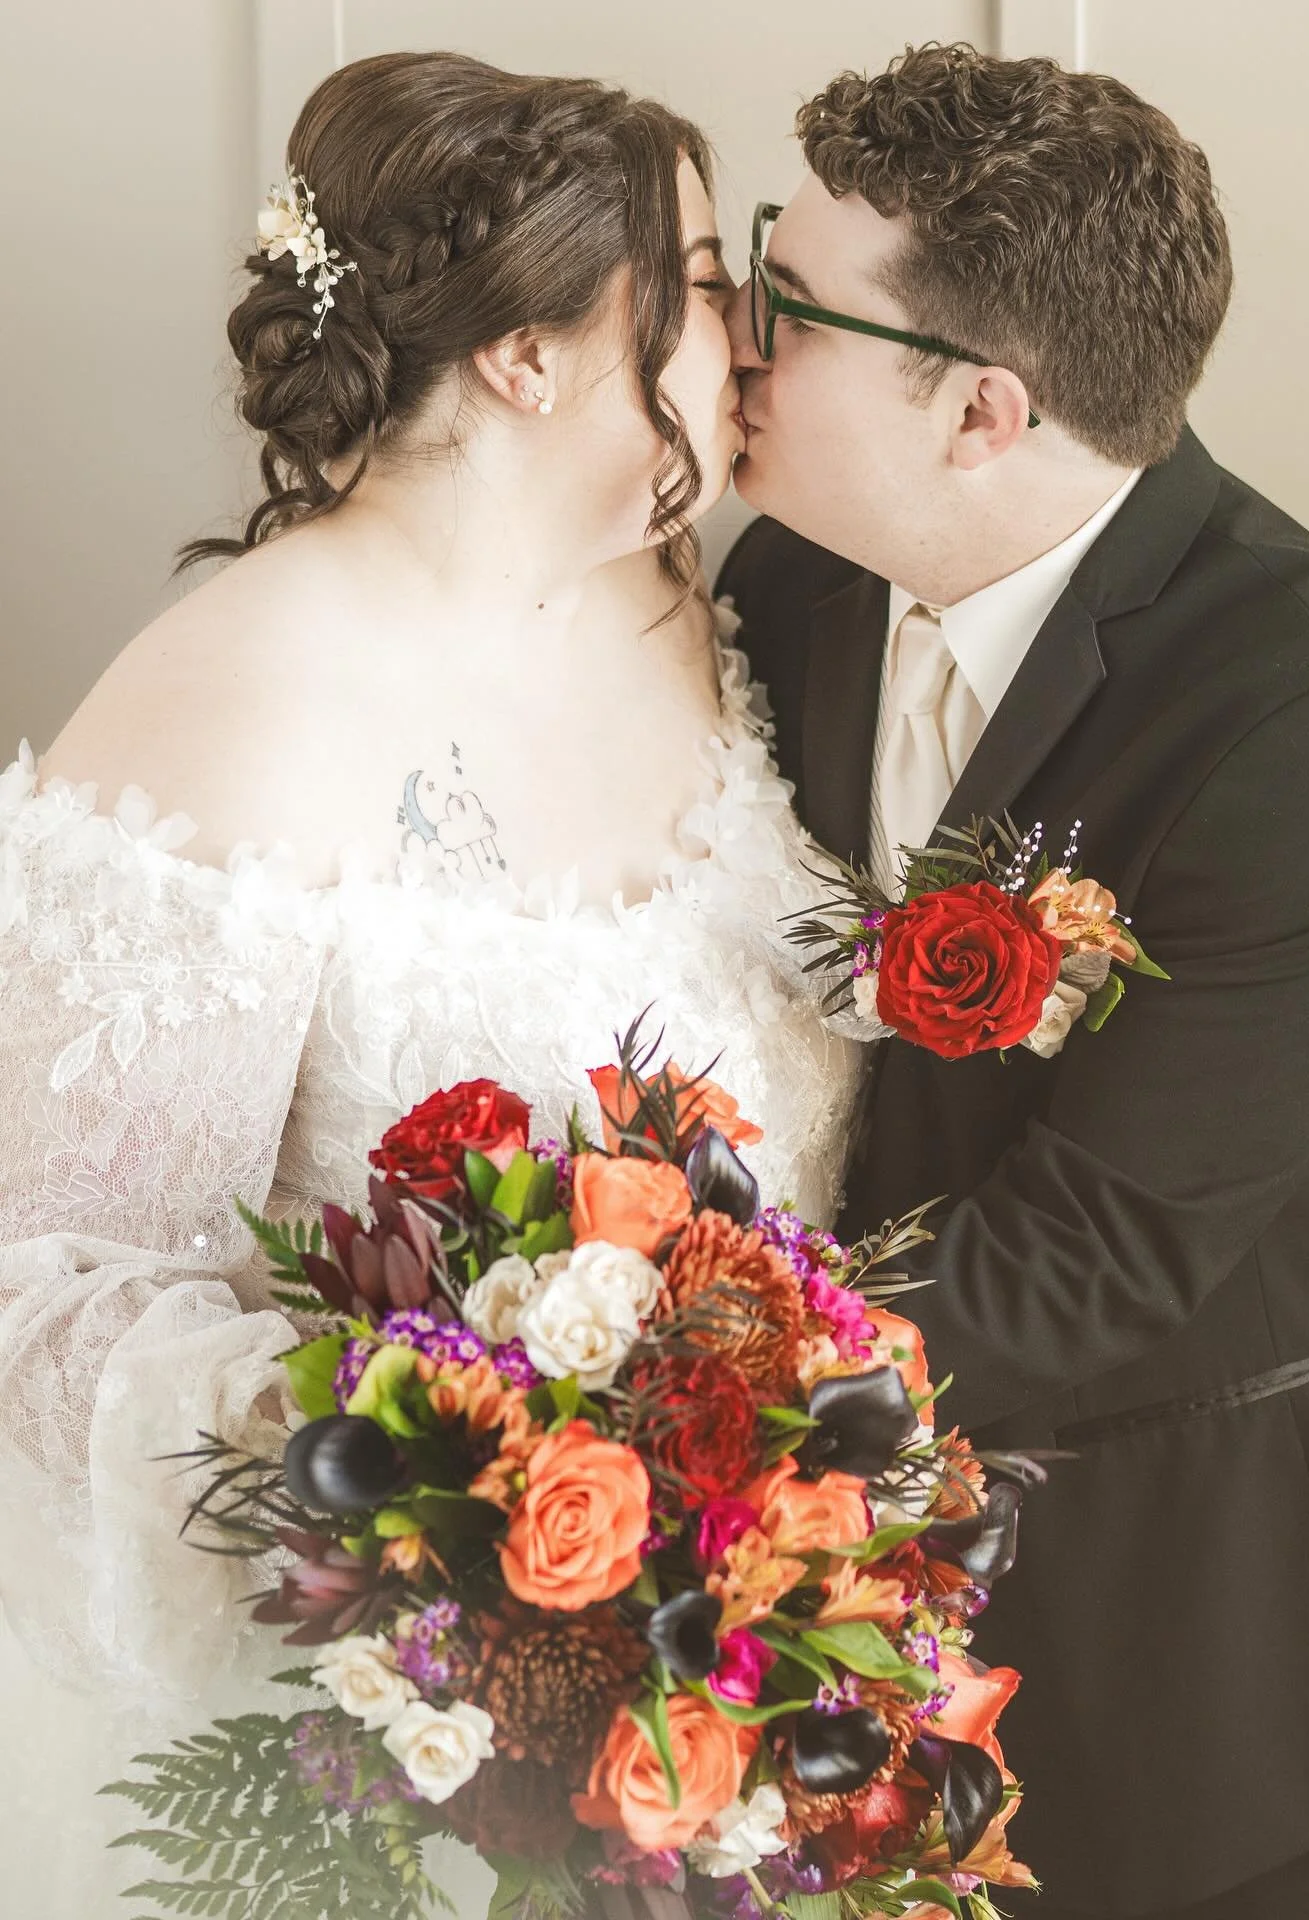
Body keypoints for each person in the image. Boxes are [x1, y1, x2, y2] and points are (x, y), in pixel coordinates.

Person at [0, 51, 866, 1916]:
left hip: (725, 1673)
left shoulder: (700, 611)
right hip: (391, 1731)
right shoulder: (242, 694)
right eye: (707, 288)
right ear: (528, 357)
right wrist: (441, 1450)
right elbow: (34, 1283)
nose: (750, 338)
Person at [717, 41, 1309, 1920]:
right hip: (866, 1606)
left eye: (784, 306)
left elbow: (1091, 1260)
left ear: (983, 410)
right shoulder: (789, 584)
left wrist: (660, 1424)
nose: (729, 340)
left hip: (1228, 1627)